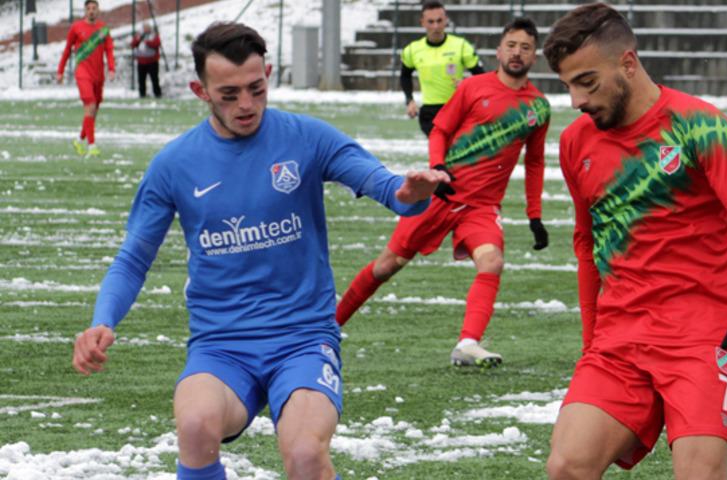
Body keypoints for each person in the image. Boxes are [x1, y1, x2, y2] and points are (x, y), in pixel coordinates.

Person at [71, 22, 448, 480]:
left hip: (303, 339)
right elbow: (133, 258)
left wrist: (410, 192)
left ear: (267, 74)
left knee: (306, 456)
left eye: (256, 88)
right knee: (194, 426)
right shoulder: (174, 164)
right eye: (228, 94)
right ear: (200, 90)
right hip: (221, 345)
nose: (246, 105)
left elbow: (386, 187)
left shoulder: (306, 137)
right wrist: (102, 321)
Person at [541, 4, 727, 479]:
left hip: (702, 336)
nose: (575, 100)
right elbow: (587, 247)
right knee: (567, 465)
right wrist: (592, 342)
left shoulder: (700, 124)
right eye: (567, 85)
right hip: (619, 340)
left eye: (586, 83)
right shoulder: (575, 143)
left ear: (627, 64)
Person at [337, 17, 551, 368]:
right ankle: (330, 326)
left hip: (481, 207)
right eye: (511, 45)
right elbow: (439, 130)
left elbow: (536, 163)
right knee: (386, 266)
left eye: (525, 47)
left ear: (534, 56)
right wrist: (438, 169)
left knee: (492, 261)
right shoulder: (472, 88)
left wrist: (535, 215)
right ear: (499, 50)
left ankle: (467, 344)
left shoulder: (538, 108)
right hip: (442, 196)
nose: (517, 53)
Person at [401, 0, 484, 136]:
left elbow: (482, 77)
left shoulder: (461, 46)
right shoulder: (413, 50)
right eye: (431, 22)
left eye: (440, 21)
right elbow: (405, 75)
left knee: (453, 154)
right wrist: (409, 100)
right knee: (441, 152)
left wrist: (467, 85)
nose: (436, 26)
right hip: (430, 113)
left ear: (446, 20)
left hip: (457, 109)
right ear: (422, 23)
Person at [57, 0, 115, 158]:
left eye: (94, 8)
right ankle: (92, 145)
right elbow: (67, 50)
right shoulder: (76, 27)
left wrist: (111, 68)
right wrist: (60, 70)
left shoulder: (103, 30)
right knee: (90, 104)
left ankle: (79, 139)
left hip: (98, 74)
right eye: (88, 8)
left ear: (98, 10)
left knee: (94, 110)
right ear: (84, 11)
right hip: (82, 73)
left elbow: (109, 50)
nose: (91, 11)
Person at [132, 22, 162, 98]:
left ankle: (157, 94)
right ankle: (142, 94)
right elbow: (133, 44)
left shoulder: (154, 35)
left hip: (152, 61)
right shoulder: (139, 35)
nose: (145, 29)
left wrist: (147, 42)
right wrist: (138, 40)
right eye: (144, 28)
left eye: (147, 28)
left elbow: (157, 44)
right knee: (141, 79)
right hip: (141, 61)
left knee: (154, 78)